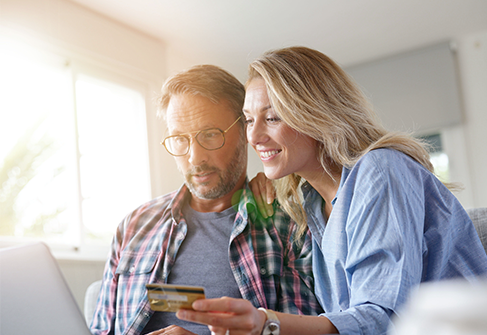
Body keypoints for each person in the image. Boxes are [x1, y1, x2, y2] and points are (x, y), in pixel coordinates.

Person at [174, 47, 487, 334]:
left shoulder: (380, 170)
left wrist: (266, 323)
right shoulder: (311, 204)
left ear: (315, 114)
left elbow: (383, 318)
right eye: (248, 120)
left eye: (272, 117)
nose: (253, 136)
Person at [89, 64, 322, 335]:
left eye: (210, 135)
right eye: (179, 139)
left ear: (246, 132)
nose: (194, 158)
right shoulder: (135, 225)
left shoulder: (288, 225)